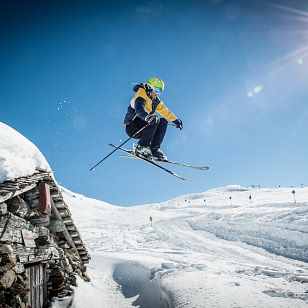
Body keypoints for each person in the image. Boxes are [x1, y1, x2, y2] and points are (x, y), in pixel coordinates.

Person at [124, 77, 183, 161]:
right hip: (132, 126)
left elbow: (165, 111)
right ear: (149, 87)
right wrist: (147, 117)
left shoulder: (155, 100)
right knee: (155, 118)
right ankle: (141, 147)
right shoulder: (141, 94)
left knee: (163, 121)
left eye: (160, 92)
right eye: (157, 91)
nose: (158, 94)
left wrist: (176, 121)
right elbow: (139, 108)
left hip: (145, 128)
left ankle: (154, 149)